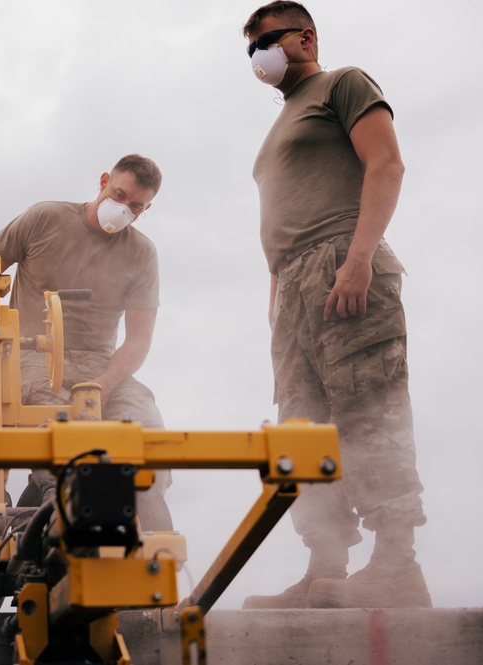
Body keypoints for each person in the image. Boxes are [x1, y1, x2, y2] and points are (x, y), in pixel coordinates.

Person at [240, 2, 429, 609]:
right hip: (291, 288)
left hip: (340, 262)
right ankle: (325, 572)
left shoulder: (342, 83)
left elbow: (387, 163)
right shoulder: (281, 124)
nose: (258, 56)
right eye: (250, 48)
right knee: (305, 430)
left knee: (368, 409)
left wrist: (358, 257)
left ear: (304, 36)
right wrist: (277, 307)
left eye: (267, 40)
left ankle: (397, 565)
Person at [0, 154, 172, 531]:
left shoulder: (142, 254)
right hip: (30, 357)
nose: (123, 209)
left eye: (136, 206)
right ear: (104, 181)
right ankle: (53, 518)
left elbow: (138, 340)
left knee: (148, 436)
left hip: (101, 368)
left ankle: (156, 544)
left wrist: (103, 385)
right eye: (119, 195)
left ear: (146, 208)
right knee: (64, 431)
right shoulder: (45, 218)